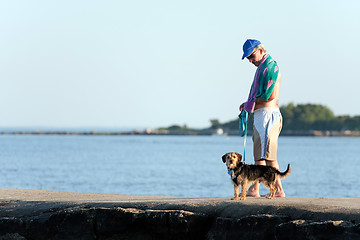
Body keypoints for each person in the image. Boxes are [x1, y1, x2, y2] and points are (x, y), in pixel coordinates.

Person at [239, 39, 285, 198]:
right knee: (260, 155)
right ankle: (255, 189)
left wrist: (249, 104)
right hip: (262, 116)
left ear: (260, 50)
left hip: (268, 115)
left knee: (267, 156)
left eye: (251, 56)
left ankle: (277, 190)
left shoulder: (270, 67)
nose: (250, 60)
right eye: (248, 58)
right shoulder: (263, 68)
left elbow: (270, 96)